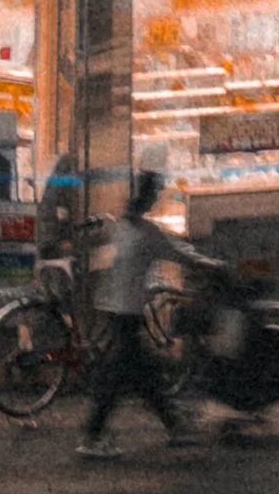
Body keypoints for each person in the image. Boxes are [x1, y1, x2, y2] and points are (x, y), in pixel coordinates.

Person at [79, 170, 194, 455]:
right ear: (149, 198)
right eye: (155, 195)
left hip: (115, 309)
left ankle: (173, 424)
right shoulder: (146, 233)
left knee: (136, 373)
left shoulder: (122, 227)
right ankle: (93, 436)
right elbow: (177, 254)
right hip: (127, 312)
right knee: (127, 374)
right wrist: (207, 262)